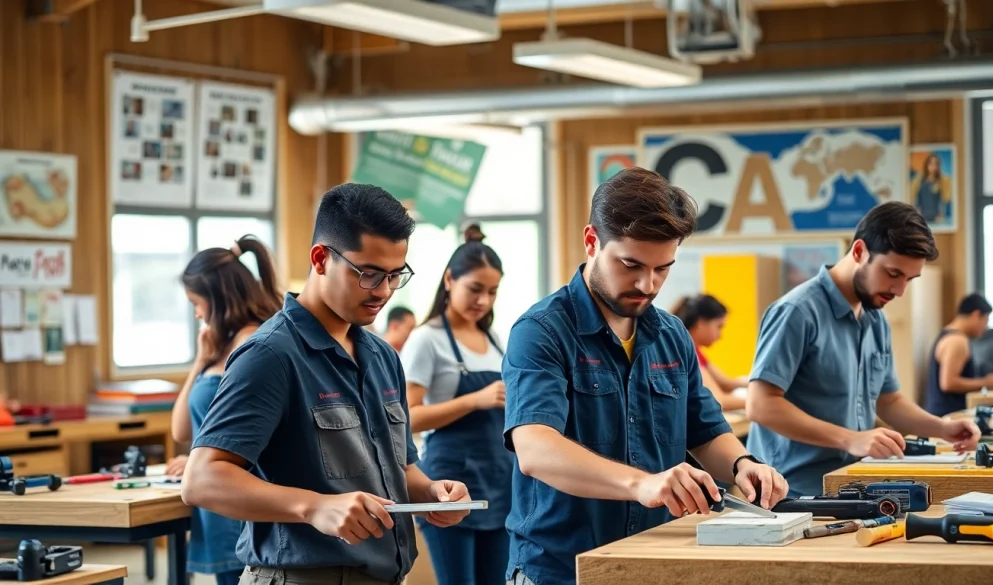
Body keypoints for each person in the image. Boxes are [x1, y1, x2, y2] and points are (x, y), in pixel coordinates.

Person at [501, 167, 789, 585]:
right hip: (563, 569)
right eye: (630, 264)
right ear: (591, 242)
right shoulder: (541, 331)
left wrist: (743, 464)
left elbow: (705, 430)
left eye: (663, 269)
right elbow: (535, 449)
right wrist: (642, 484)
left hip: (653, 561)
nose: (646, 283)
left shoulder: (672, 334)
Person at [181, 183, 474, 585]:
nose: (384, 292)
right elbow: (201, 480)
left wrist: (431, 493)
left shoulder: (382, 355)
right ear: (321, 259)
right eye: (368, 274)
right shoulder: (271, 355)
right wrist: (312, 506)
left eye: (395, 275)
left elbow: (400, 468)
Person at [745, 202, 982, 498]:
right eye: (893, 273)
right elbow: (760, 405)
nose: (899, 290)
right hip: (788, 493)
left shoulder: (875, 318)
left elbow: (889, 400)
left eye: (909, 279)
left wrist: (943, 429)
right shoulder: (797, 312)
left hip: (848, 484)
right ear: (859, 252)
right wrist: (850, 439)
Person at [165, 235, 282, 585]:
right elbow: (181, 432)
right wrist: (200, 362)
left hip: (240, 504)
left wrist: (208, 456)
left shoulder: (252, 342)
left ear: (217, 298)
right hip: (217, 503)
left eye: (197, 303)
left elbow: (265, 434)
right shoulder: (221, 346)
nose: (197, 313)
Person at [401, 231, 510, 585]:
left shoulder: (495, 339)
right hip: (449, 482)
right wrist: (474, 400)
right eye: (475, 288)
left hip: (499, 483)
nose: (483, 300)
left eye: (492, 292)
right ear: (449, 279)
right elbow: (407, 418)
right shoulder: (426, 339)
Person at [925, 293, 993, 417]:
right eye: (986, 320)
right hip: (948, 417)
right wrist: (986, 382)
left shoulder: (948, 335)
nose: (986, 327)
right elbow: (948, 383)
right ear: (976, 315)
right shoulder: (957, 341)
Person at [671, 294, 747, 411]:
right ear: (700, 323)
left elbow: (724, 383)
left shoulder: (693, 349)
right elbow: (717, 400)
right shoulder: (682, 350)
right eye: (719, 327)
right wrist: (762, 401)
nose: (720, 336)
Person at [911, 153, 952, 224]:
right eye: (931, 163)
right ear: (926, 164)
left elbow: (946, 199)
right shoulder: (919, 180)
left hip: (937, 218)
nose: (933, 166)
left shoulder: (942, 181)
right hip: (922, 217)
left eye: (936, 164)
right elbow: (916, 198)